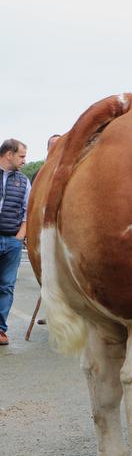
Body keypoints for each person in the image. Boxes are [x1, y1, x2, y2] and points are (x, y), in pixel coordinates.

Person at [0, 139, 31, 345]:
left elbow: (28, 211)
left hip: (12, 240)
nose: (24, 160)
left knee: (6, 286)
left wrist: (20, 236)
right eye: (21, 156)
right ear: (8, 154)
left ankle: (0, 330)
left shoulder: (23, 181)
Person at [36, 134, 61, 326]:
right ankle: (51, 311)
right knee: (45, 273)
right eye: (53, 144)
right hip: (42, 229)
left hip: (61, 229)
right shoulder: (44, 172)